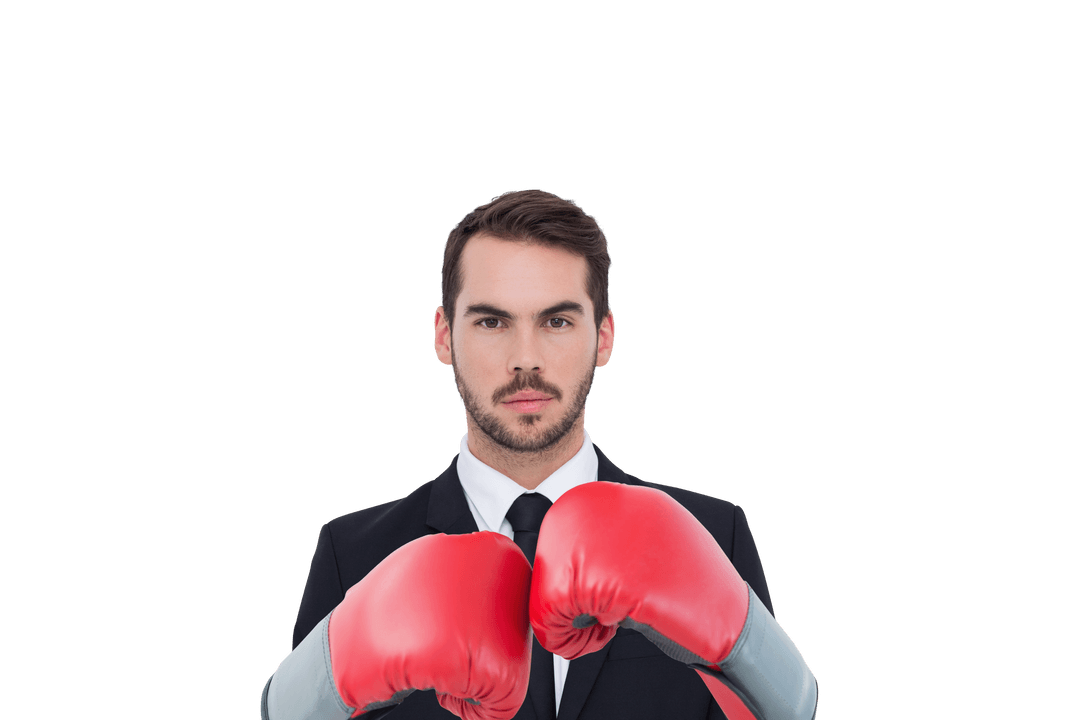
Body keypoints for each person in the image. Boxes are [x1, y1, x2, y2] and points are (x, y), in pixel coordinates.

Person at [260, 189, 817, 720]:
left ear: (603, 337)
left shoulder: (714, 535)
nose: (525, 359)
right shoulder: (355, 554)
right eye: (491, 321)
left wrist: (765, 671)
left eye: (556, 321)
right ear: (443, 337)